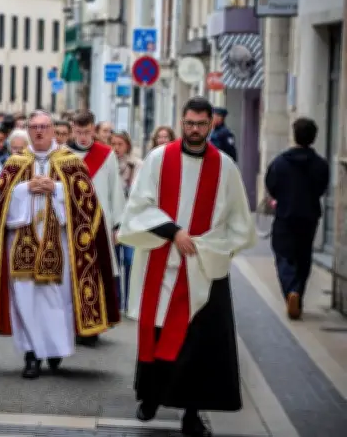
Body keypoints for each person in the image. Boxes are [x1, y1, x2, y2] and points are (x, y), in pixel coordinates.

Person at [118, 97, 256, 437]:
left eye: (201, 124)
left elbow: (238, 222)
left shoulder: (224, 166)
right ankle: (150, 398)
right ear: (182, 121)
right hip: (162, 261)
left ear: (212, 123)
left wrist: (214, 247)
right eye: (189, 123)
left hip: (203, 268)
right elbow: (139, 205)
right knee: (158, 334)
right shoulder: (159, 159)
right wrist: (173, 231)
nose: (194, 130)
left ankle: (192, 413)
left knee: (200, 344)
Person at [0, 111, 119, 379]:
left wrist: (57, 190)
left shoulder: (70, 162)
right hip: (21, 243)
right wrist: (25, 189)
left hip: (61, 244)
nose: (39, 132)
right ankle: (31, 355)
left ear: (54, 130)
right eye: (34, 127)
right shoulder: (15, 163)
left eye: (44, 127)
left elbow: (88, 203)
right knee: (26, 299)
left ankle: (55, 349)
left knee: (58, 300)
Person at [68, 110, 124, 344]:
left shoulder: (106, 154)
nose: (83, 137)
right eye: (79, 132)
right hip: (71, 224)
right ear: (73, 130)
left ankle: (93, 326)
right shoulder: (64, 155)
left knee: (97, 274)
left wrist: (117, 226)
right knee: (72, 275)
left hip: (100, 224)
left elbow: (115, 191)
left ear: (94, 129)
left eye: (87, 131)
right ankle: (71, 325)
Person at [265, 117, 329, 320]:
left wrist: (279, 198)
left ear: (294, 135)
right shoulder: (320, 164)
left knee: (284, 256)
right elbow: (322, 188)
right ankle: (298, 295)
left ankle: (291, 290)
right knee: (303, 257)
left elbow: (271, 185)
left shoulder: (281, 162)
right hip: (309, 216)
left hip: (285, 215)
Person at [111, 131, 141, 311]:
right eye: (113, 144)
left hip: (130, 221)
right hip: (113, 221)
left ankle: (130, 301)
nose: (116, 148)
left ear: (127, 145)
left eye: (120, 144)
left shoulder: (136, 164)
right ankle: (116, 301)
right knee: (114, 262)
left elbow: (137, 192)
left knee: (129, 260)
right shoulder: (108, 164)